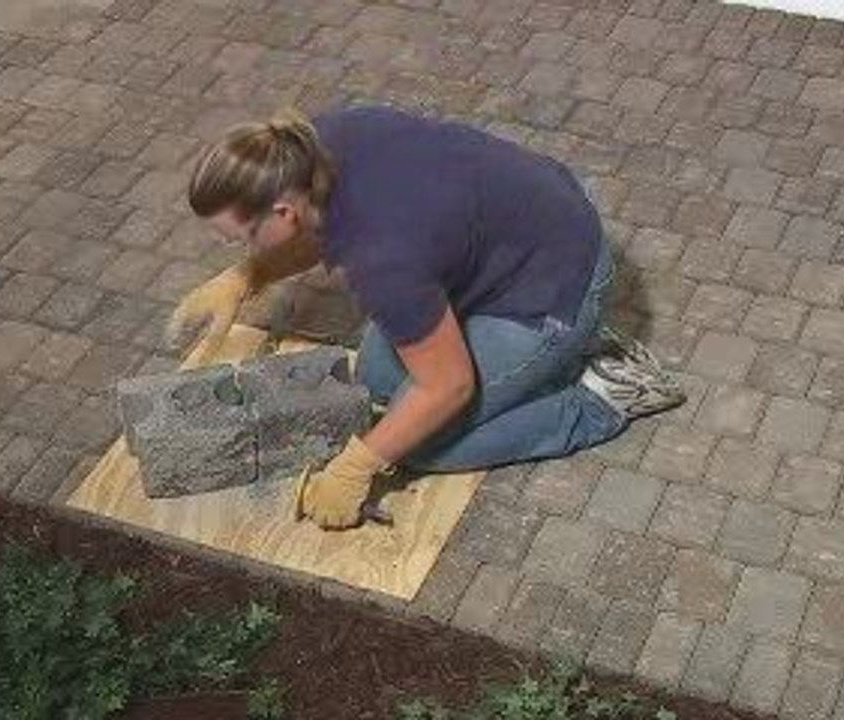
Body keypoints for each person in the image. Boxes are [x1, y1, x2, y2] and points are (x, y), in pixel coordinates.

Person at [168, 104, 685, 530]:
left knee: (422, 444)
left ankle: (598, 398)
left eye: (241, 239)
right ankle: (544, 358)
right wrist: (248, 277)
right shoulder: (307, 146)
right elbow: (319, 230)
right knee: (377, 384)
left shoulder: (384, 262)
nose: (236, 248)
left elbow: (450, 386)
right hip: (531, 226)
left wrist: (355, 467)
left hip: (556, 288)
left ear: (283, 212)